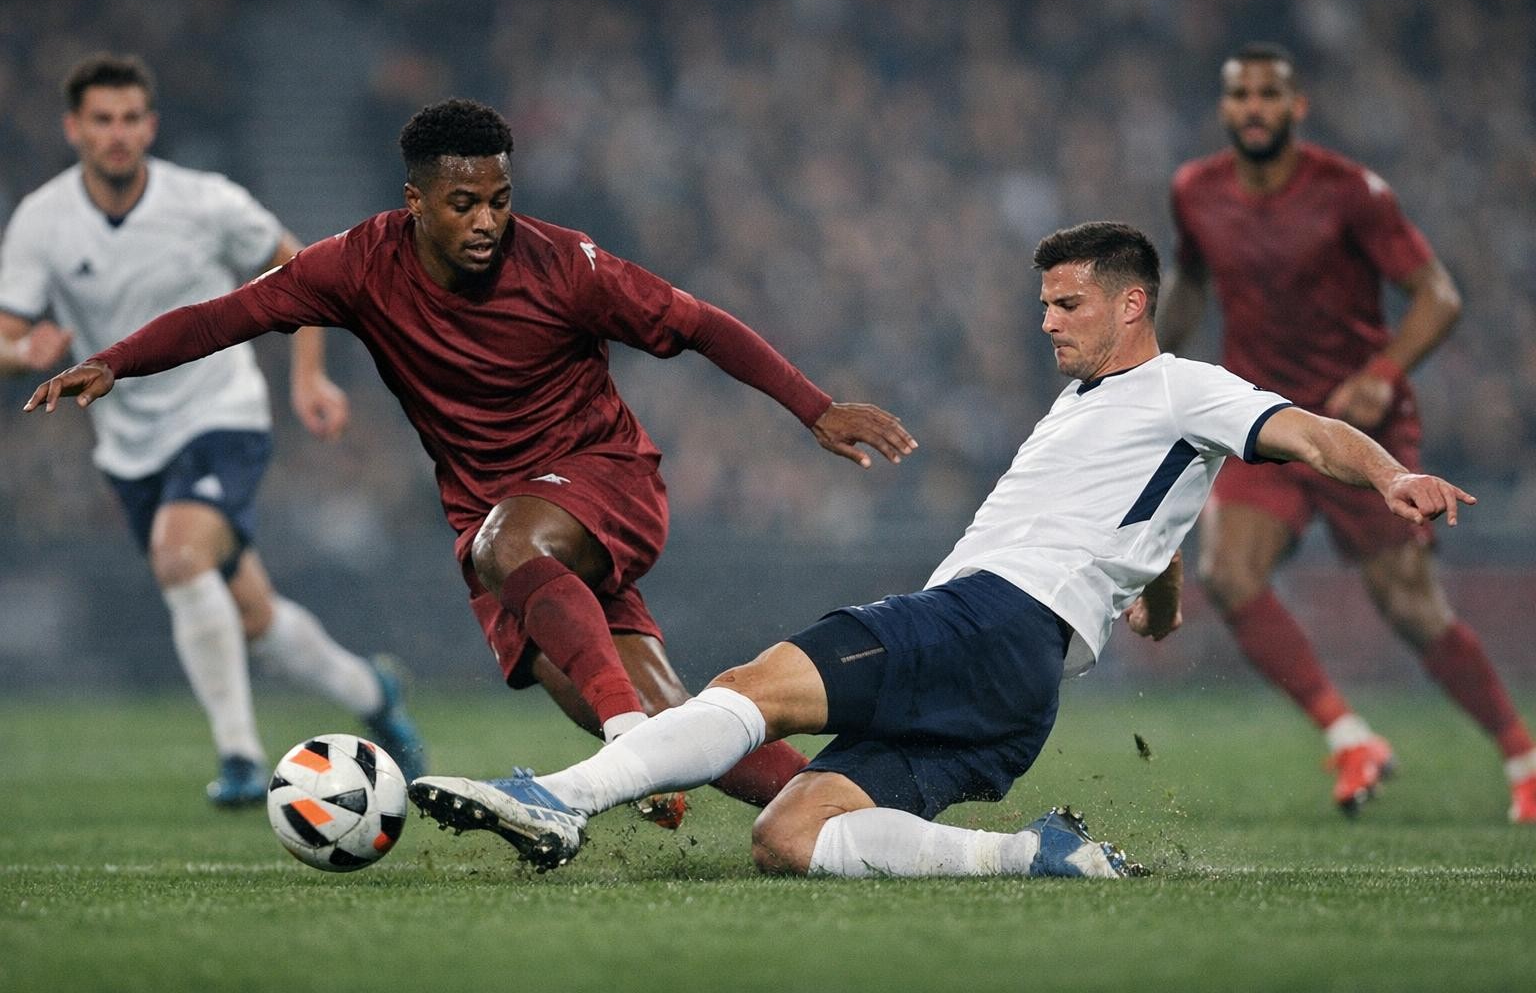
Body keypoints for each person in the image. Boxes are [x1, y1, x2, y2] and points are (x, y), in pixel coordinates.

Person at [398, 221, 1475, 880]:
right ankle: (1034, 856)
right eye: (1044, 303)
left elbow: (1306, 433)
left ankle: (562, 798)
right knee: (791, 834)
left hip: (989, 617)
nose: (1047, 322)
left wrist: (1389, 475)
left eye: (1068, 304)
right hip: (1019, 689)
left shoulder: (1182, 384)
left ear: (1133, 304)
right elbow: (1144, 514)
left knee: (750, 688)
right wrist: (1158, 592)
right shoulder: (1101, 408)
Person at [23, 96, 918, 822]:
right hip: (494, 519)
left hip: (602, 479)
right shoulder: (357, 265)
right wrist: (116, 361)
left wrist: (814, 407)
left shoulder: (567, 265)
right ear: (415, 202)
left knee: (534, 584)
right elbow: (227, 315)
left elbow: (701, 324)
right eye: (464, 204)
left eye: (499, 198)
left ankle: (622, 753)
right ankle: (860, 808)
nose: (488, 220)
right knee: (677, 720)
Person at [0, 54, 427, 805]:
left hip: (221, 415)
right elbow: (6, 335)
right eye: (101, 120)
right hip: (128, 445)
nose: (117, 133)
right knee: (253, 617)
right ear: (74, 129)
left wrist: (307, 377)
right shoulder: (43, 219)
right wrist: (22, 353)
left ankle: (239, 759)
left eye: (130, 118)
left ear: (151, 125)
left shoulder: (205, 202)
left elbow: (303, 270)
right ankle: (373, 689)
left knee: (179, 554)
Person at [1160, 43, 1536, 822]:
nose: (1254, 108)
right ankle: (1348, 736)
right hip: (1264, 420)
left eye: (1269, 94)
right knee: (1228, 572)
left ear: (1297, 107)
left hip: (1362, 423)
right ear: (1225, 108)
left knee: (1412, 609)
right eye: (1240, 95)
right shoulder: (1195, 191)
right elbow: (1191, 281)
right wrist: (1147, 368)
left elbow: (1438, 296)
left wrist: (1383, 375)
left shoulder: (1351, 192)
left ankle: (1523, 759)